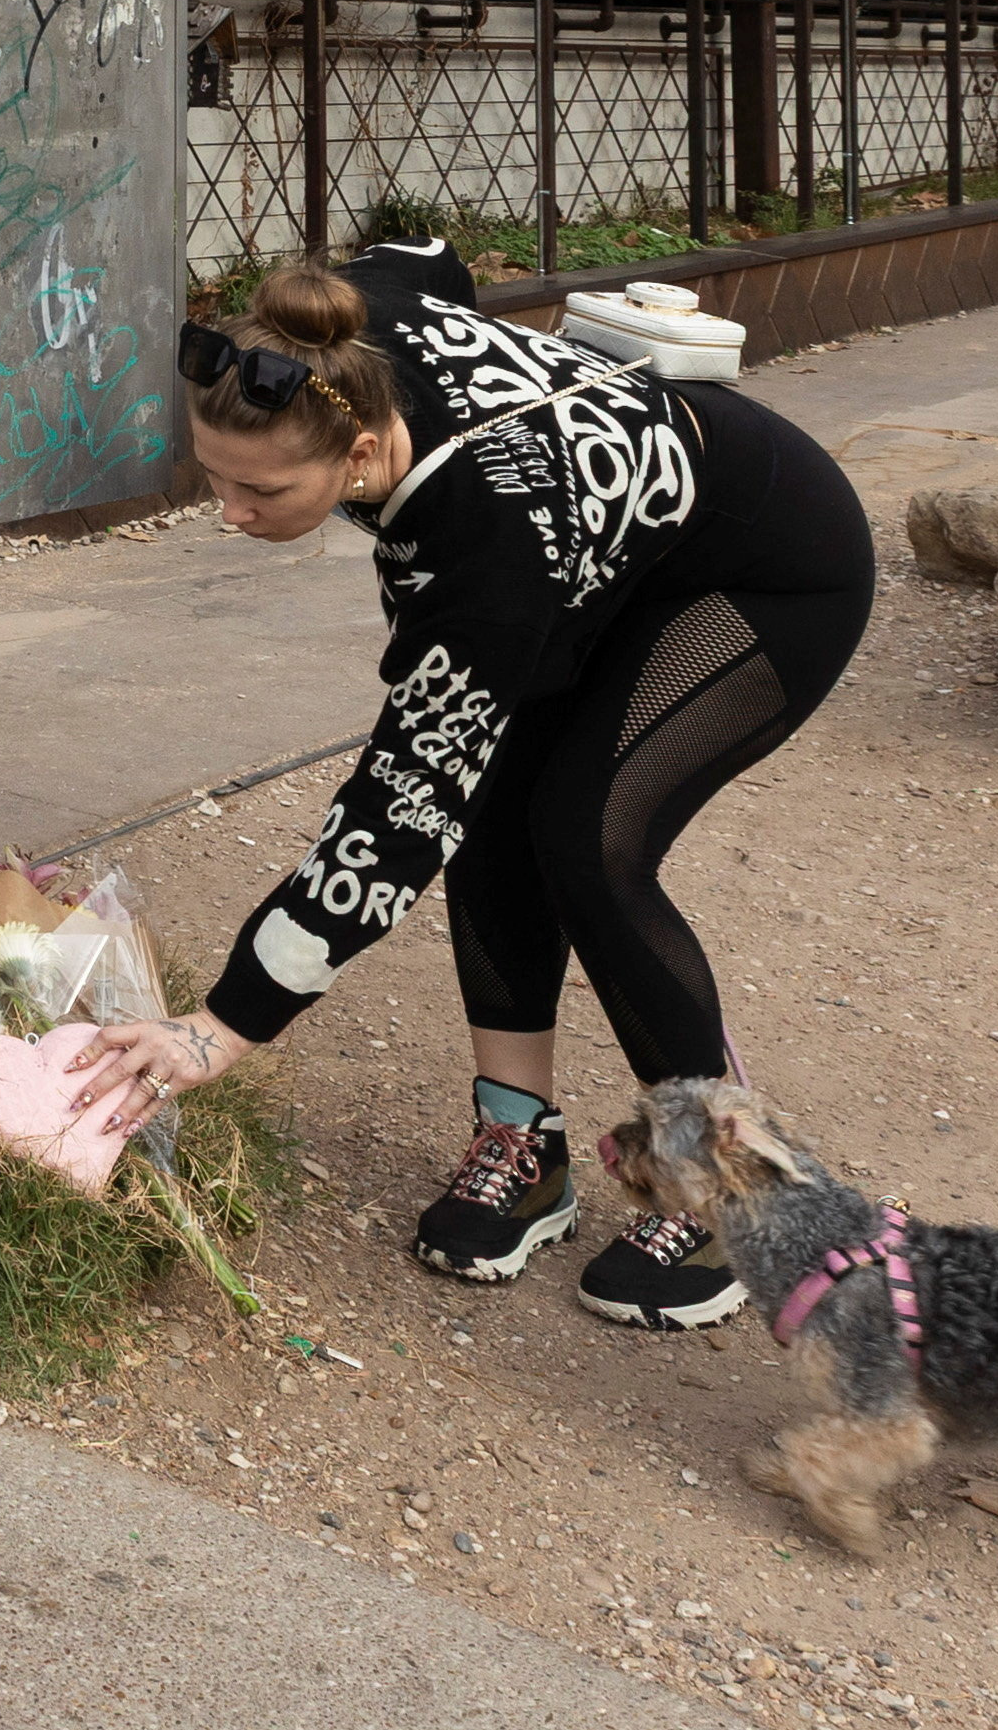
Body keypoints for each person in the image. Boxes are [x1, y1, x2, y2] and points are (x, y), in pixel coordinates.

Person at [67, 244, 877, 1331]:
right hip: (601, 559)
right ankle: (520, 1141)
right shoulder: (338, 335)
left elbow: (391, 819)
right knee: (494, 813)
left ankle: (728, 1180)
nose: (229, 509)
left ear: (357, 449)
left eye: (259, 487)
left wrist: (216, 1029)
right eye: (212, 473)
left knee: (586, 838)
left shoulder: (482, 552)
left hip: (766, 566)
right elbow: (423, 262)